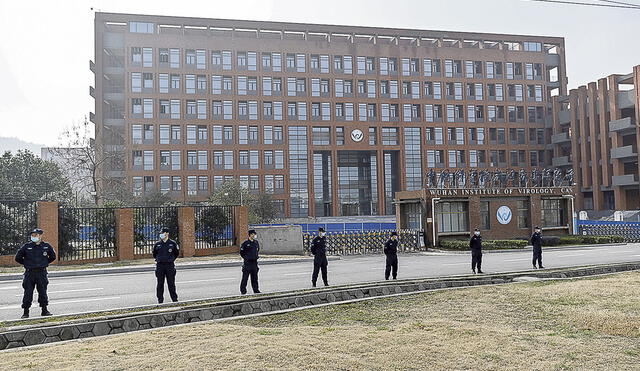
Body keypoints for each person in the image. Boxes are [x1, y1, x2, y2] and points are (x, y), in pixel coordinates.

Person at [14, 228, 56, 318]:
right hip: (30, 273)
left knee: (42, 292)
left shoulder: (46, 246)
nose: (33, 237)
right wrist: (26, 264)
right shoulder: (26, 246)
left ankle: (44, 310)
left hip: (41, 273)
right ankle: (26, 312)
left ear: (40, 236)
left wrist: (44, 263)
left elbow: (53, 257)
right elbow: (18, 257)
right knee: (28, 293)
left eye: (35, 235)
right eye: (32, 235)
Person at [152, 227, 180, 303]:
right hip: (160, 266)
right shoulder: (157, 244)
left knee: (171, 283)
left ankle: (174, 300)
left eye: (162, 233)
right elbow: (154, 254)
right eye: (160, 233)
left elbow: (176, 253)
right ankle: (160, 300)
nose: (161, 234)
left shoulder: (172, 243)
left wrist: (171, 259)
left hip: (169, 265)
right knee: (160, 284)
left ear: (167, 233)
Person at [240, 229, 261, 294]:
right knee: (245, 278)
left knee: (254, 278)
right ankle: (243, 290)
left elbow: (257, 250)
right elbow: (242, 252)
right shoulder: (245, 243)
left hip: (254, 263)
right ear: (250, 235)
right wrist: (246, 258)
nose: (254, 235)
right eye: (252, 234)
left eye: (254, 234)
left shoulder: (256, 243)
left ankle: (256, 290)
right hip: (247, 263)